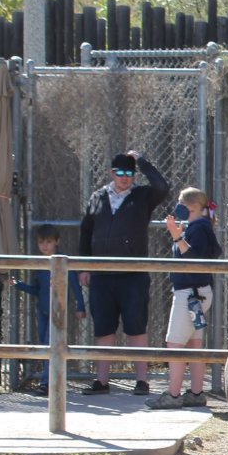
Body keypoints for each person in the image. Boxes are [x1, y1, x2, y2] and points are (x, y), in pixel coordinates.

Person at [77, 150, 168, 395]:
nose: (124, 177)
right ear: (111, 173)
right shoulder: (98, 197)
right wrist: (84, 266)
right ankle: (102, 380)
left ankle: (141, 380)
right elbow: (86, 232)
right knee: (104, 327)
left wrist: (142, 161)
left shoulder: (142, 196)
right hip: (102, 275)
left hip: (133, 274)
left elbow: (162, 186)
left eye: (129, 173)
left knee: (136, 326)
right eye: (120, 173)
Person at [146, 187, 220, 410]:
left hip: (191, 294)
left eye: (180, 203)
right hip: (196, 293)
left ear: (192, 207)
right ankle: (196, 393)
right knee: (193, 343)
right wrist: (179, 234)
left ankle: (173, 394)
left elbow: (195, 258)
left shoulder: (199, 228)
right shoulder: (200, 227)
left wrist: (176, 235)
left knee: (175, 344)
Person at [10, 225, 86, 396]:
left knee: (50, 344)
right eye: (41, 242)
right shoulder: (40, 265)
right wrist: (18, 285)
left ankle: (47, 383)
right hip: (42, 310)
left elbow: (75, 286)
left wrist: (80, 306)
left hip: (57, 311)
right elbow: (37, 290)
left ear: (57, 242)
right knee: (45, 345)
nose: (45, 246)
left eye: (49, 242)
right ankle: (49, 381)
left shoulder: (63, 261)